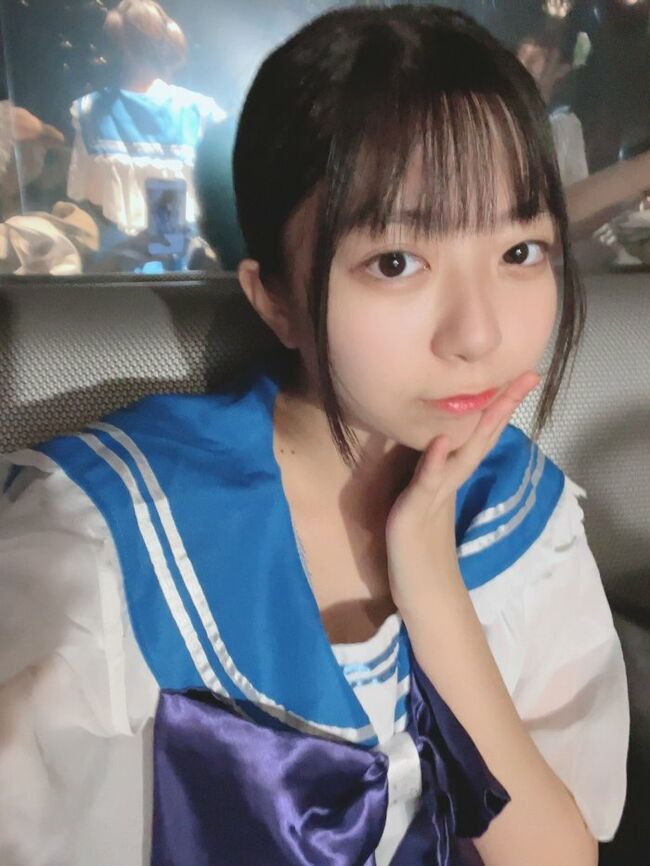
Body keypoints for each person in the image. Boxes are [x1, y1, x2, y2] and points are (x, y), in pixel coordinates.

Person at [0, 5, 628, 866]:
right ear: (276, 300)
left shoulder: (524, 517)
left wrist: (434, 589)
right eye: (397, 262)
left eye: (521, 251)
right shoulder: (110, 542)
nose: (479, 334)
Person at [66, 0, 225, 241]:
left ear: (117, 44)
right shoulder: (200, 110)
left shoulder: (90, 111)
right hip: (175, 256)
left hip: (123, 256)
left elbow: (92, 195)